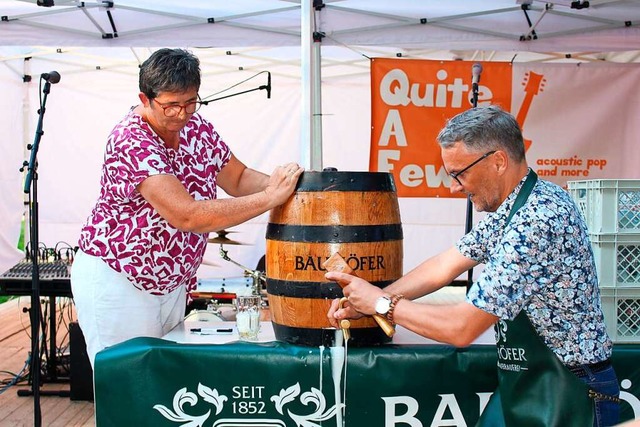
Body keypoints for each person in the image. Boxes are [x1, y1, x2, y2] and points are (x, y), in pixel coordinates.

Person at [327, 105, 620, 427]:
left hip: (569, 390)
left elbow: (461, 328)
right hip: (532, 383)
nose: (454, 187)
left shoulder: (537, 219)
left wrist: (381, 303)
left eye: (459, 173)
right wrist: (367, 303)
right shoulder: (518, 206)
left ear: (498, 161)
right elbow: (444, 265)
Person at [71, 48, 303, 367]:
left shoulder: (197, 128)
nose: (181, 114)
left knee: (161, 384)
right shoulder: (131, 140)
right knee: (127, 383)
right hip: (121, 279)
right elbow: (187, 215)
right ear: (145, 98)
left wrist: (294, 188)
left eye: (190, 102)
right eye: (170, 106)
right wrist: (269, 198)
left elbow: (237, 177)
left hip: (170, 281)